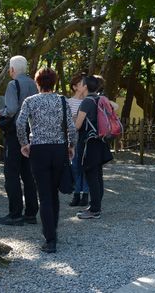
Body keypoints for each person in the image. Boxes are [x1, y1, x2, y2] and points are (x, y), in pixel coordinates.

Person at [17, 67, 77, 254]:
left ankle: (50, 239)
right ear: (54, 82)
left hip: (39, 150)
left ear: (37, 82)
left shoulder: (30, 101)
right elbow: (72, 128)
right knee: (53, 193)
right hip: (58, 149)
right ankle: (53, 232)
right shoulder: (61, 100)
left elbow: (20, 124)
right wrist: (71, 145)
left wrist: (24, 144)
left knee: (43, 194)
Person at [0, 55, 39, 226]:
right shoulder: (34, 84)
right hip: (30, 131)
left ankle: (15, 213)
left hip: (14, 133)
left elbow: (11, 109)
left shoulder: (13, 84)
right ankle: (31, 213)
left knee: (11, 174)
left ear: (12, 69)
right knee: (28, 174)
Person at [74, 74, 114, 220]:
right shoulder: (100, 99)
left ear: (85, 86)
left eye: (81, 83)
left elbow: (77, 125)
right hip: (100, 141)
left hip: (89, 143)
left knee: (91, 176)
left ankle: (94, 210)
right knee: (98, 176)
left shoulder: (86, 102)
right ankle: (96, 206)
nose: (79, 86)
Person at [66, 72, 89, 208]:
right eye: (81, 83)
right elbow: (67, 122)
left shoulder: (89, 101)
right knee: (75, 167)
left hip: (86, 139)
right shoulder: (68, 102)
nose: (84, 85)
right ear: (75, 87)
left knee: (85, 166)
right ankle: (76, 194)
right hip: (74, 139)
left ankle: (85, 194)